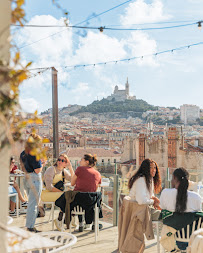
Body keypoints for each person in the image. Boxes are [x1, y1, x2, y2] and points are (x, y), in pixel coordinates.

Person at [55, 154, 102, 232]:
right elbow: (95, 188)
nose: (79, 161)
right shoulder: (97, 173)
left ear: (87, 162)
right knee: (93, 196)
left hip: (78, 203)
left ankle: (66, 219)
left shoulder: (80, 169)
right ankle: (94, 222)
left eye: (81, 160)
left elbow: (72, 183)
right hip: (90, 203)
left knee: (69, 196)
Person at [20, 133, 45, 233]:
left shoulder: (23, 153)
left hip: (26, 178)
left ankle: (29, 225)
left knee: (31, 203)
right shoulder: (35, 153)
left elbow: (22, 167)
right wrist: (42, 164)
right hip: (34, 178)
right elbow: (38, 170)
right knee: (33, 204)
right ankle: (30, 227)